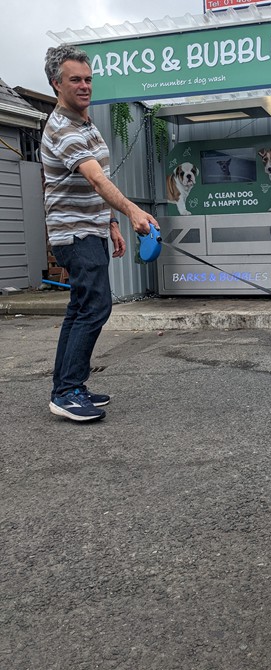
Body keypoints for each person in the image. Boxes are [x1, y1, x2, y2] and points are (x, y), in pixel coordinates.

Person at [41, 44, 159, 423]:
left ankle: (69, 385)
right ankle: (67, 392)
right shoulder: (63, 128)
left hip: (89, 229)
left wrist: (109, 223)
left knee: (80, 307)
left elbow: (95, 183)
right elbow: (94, 177)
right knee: (95, 306)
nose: (84, 86)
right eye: (75, 80)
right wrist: (132, 211)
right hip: (73, 233)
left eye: (88, 79)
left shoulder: (86, 123)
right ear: (56, 83)